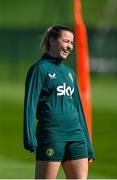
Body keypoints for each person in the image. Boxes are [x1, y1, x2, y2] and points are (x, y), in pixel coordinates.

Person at [23, 24, 95, 179]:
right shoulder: (39, 69)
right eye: (66, 41)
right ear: (52, 41)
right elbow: (30, 105)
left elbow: (79, 110)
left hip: (77, 137)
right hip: (52, 136)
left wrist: (88, 145)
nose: (69, 46)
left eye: (72, 43)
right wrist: (29, 137)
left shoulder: (69, 74)